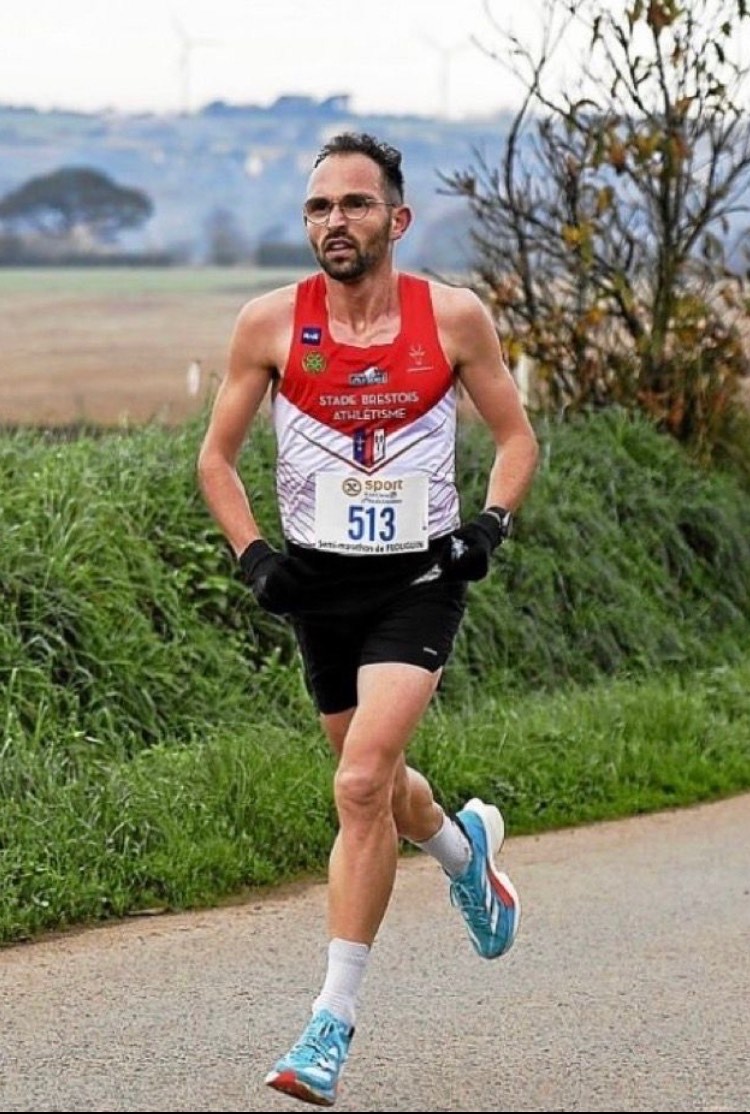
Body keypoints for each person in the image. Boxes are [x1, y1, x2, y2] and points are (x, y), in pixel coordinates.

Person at [197, 131, 539, 1107]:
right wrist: (254, 555)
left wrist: (490, 526)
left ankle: (329, 1023)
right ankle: (468, 854)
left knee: (355, 783)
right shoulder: (269, 325)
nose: (333, 222)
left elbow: (516, 439)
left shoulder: (453, 318)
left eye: (353, 204)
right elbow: (216, 460)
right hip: (318, 586)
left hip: (418, 581)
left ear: (396, 218)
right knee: (382, 789)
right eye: (317, 207)